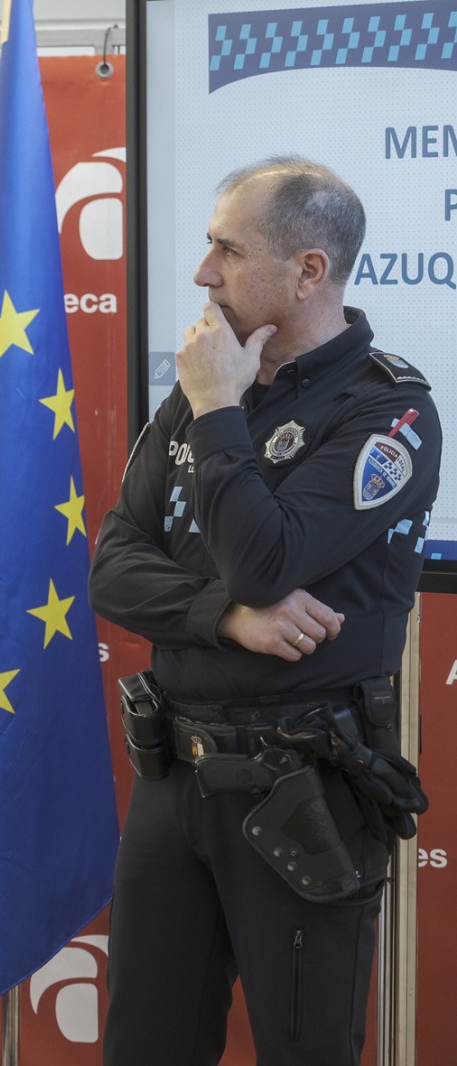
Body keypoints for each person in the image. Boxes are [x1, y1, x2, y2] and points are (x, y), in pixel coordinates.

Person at [91, 157, 440, 1064]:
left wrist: (217, 408)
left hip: (302, 783)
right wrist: (227, 616)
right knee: (144, 1046)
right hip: (174, 777)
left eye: (229, 250)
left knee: (303, 1048)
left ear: (308, 271)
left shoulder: (389, 411)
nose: (204, 272)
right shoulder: (205, 381)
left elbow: (265, 559)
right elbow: (113, 569)